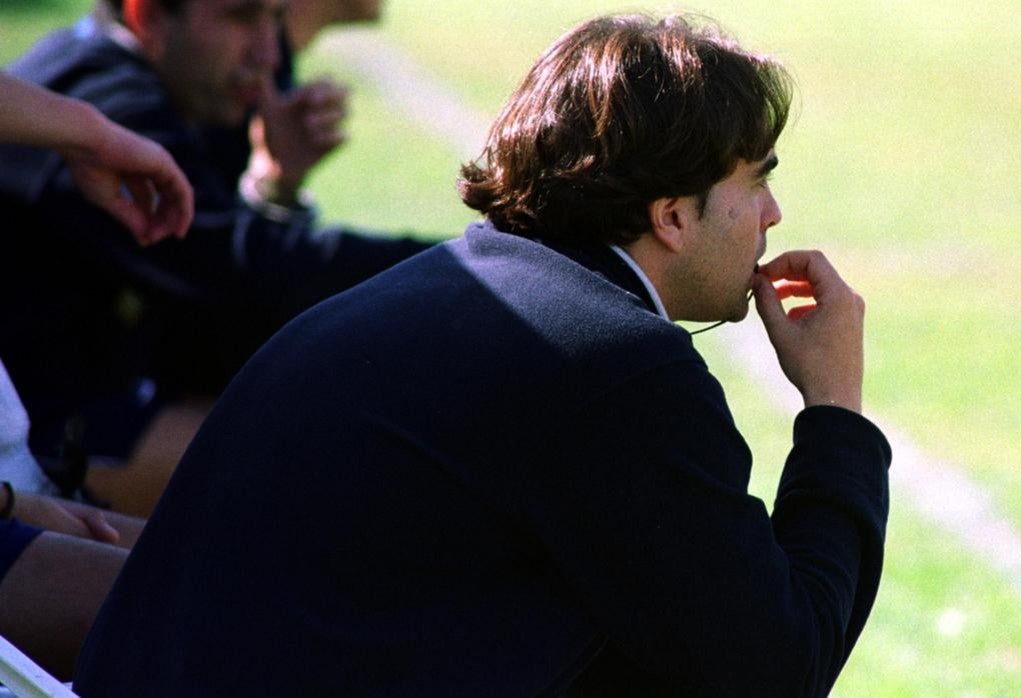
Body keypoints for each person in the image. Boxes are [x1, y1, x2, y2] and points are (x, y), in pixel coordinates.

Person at [75, 14, 891, 696]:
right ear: (672, 216)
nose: (773, 214)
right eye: (755, 181)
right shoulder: (616, 364)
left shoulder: (463, 279)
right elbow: (776, 668)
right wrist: (834, 415)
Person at [0, 0, 433, 514]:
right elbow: (242, 278)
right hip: (43, 445)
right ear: (149, 18)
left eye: (275, 18)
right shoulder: (105, 105)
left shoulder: (165, 88)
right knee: (340, 465)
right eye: (242, 17)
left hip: (99, 407)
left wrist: (274, 189)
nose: (269, 54)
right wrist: (461, 274)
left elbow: (216, 306)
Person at [0, 72, 183, 679]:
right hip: (15, 495)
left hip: (24, 479)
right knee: (237, 615)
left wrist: (86, 132)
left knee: (254, 569)